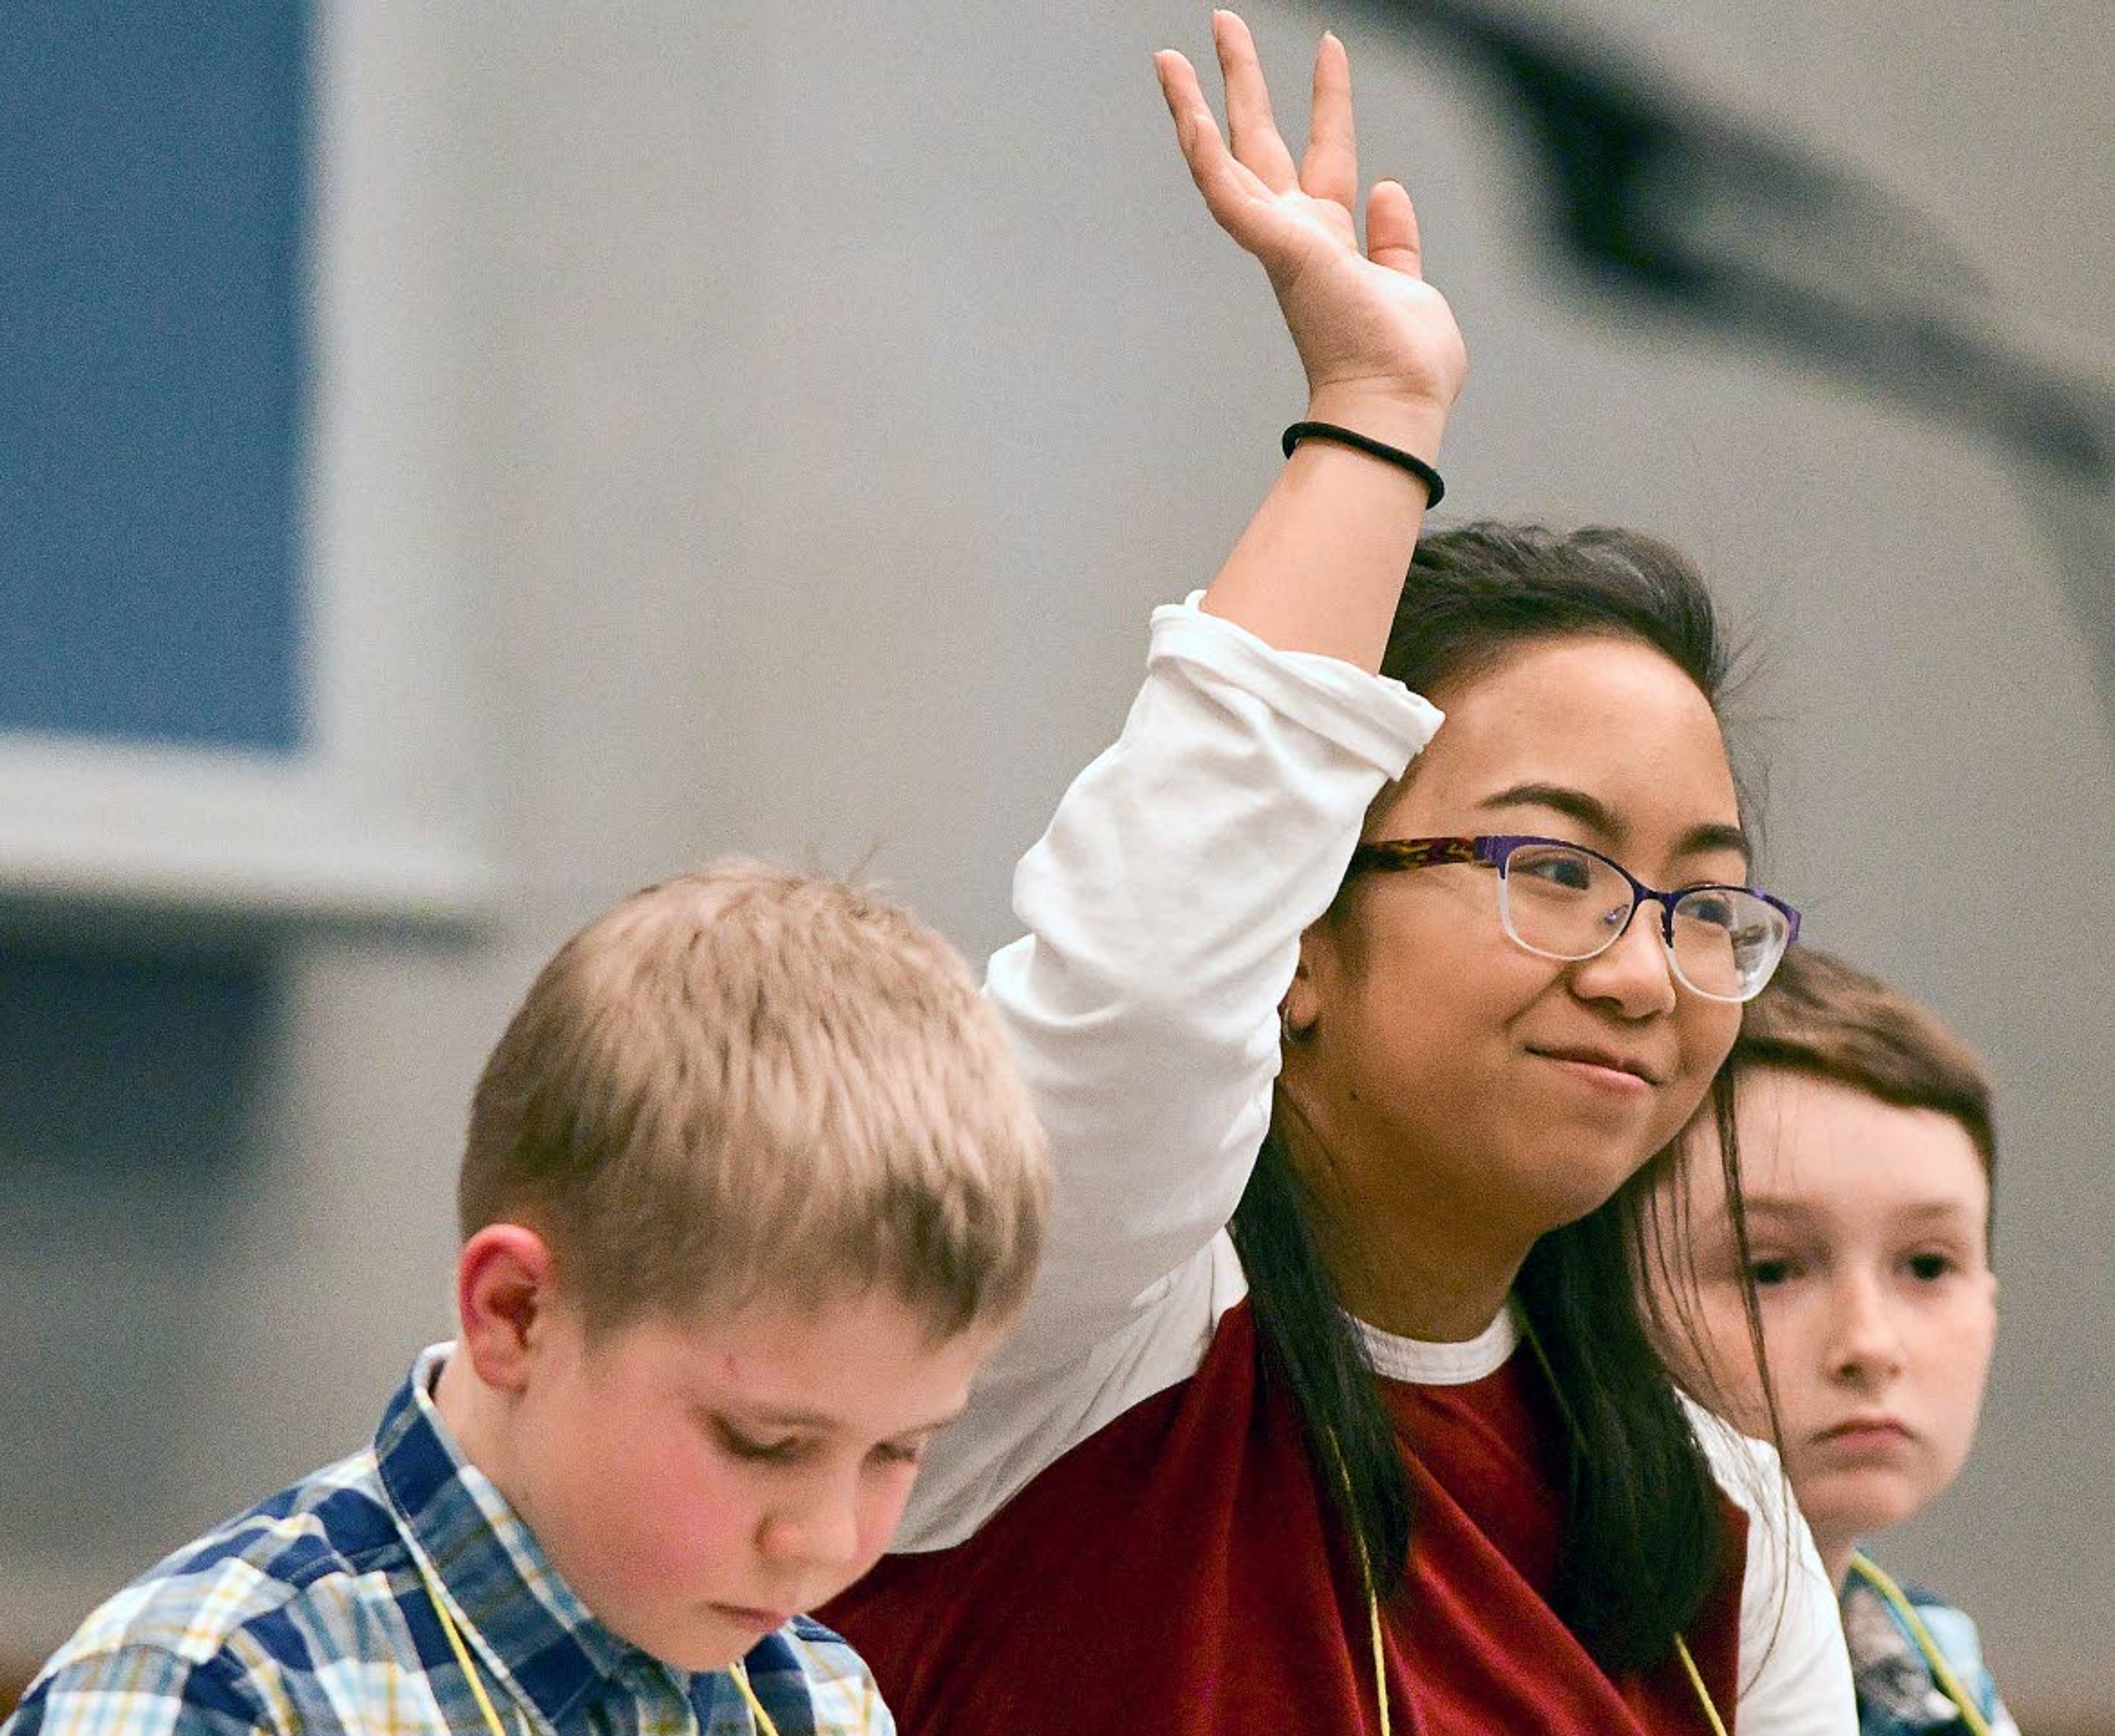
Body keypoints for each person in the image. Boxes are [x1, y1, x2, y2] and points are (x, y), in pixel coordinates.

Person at [823, 14, 1853, 1733]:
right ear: (1298, 928)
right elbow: (1143, 992)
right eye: (1558, 869)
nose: (1642, 973)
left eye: (1701, 903)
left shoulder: (1716, 1516)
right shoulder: (1087, 1337)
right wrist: (1376, 416)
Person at [2, 862, 1049, 1736]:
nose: (826, 1540)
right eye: (764, 1441)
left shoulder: (823, 1703)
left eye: (898, 1452)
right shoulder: (205, 1696)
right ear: (516, 1313)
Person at [1648, 947, 2015, 1735]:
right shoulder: (1550, 1669)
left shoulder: (1931, 1669)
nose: (1869, 1345)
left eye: (1927, 1264)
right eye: (1771, 1269)